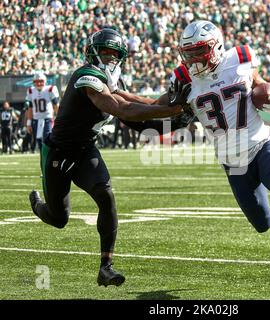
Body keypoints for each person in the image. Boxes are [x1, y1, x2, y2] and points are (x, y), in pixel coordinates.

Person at [163, 20, 270, 286]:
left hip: (260, 144)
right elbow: (173, 112)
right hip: (232, 161)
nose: (193, 58)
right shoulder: (183, 79)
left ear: (217, 46)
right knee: (262, 224)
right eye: (189, 53)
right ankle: (266, 209)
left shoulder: (239, 58)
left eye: (199, 51)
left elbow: (260, 86)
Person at [28, 28, 190, 287]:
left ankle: (106, 266)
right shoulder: (85, 76)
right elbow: (120, 107)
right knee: (59, 219)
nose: (110, 58)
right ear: (91, 53)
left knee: (106, 194)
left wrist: (178, 116)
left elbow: (139, 108)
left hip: (85, 151)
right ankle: (38, 206)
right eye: (105, 52)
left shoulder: (112, 81)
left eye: (115, 54)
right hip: (58, 152)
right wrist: (171, 109)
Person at [25, 72, 60, 152]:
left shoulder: (50, 89)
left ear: (45, 81)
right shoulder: (31, 91)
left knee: (48, 140)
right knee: (40, 143)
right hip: (36, 120)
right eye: (36, 81)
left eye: (41, 81)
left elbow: (56, 106)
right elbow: (30, 108)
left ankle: (50, 159)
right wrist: (28, 123)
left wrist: (59, 119)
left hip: (48, 119)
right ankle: (43, 161)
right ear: (34, 82)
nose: (39, 83)